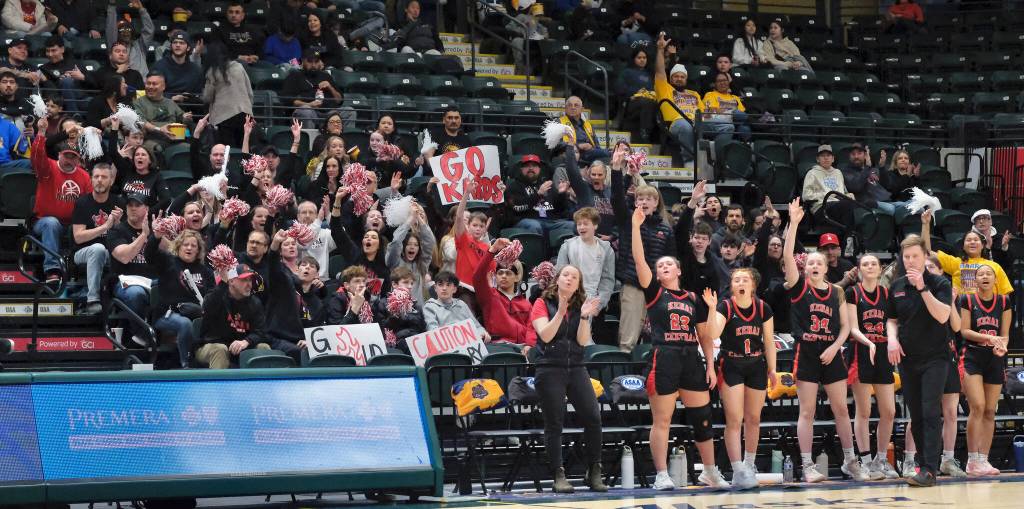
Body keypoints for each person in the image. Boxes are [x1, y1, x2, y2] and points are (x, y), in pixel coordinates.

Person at [632, 202, 729, 490]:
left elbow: (705, 335)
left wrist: (710, 365)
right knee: (662, 419)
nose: (663, 267)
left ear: (677, 270)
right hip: (665, 356)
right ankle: (662, 474)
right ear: (657, 274)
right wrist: (636, 227)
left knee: (702, 418)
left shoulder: (692, 298)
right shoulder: (654, 292)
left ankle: (709, 472)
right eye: (659, 266)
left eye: (668, 264)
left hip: (691, 357)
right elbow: (639, 260)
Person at [783, 198, 865, 483]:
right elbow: (786, 258)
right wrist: (793, 223)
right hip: (806, 351)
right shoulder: (798, 288)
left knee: (841, 409)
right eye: (811, 262)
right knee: (807, 410)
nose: (815, 264)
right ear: (805, 268)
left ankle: (850, 461)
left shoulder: (836, 292)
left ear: (827, 268)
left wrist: (834, 347)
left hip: (832, 352)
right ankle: (807, 466)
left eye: (820, 262)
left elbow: (845, 327)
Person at [529, 264, 606, 493]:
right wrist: (560, 313)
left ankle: (594, 470)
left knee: (593, 417)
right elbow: (545, 334)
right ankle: (558, 474)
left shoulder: (580, 305)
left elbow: (583, 341)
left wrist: (583, 317)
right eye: (566, 275)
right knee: (554, 423)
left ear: (578, 284)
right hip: (549, 367)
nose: (570, 279)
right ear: (558, 279)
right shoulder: (542, 303)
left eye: (575, 277)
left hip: (577, 366)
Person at [886, 233, 953, 487]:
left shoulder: (939, 284)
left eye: (915, 256)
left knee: (930, 410)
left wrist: (922, 288)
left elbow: (943, 315)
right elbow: (891, 319)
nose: (911, 261)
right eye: (906, 257)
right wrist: (891, 339)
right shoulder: (897, 286)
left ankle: (929, 469)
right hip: (908, 358)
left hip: (935, 358)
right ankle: (922, 465)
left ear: (925, 257)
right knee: (915, 414)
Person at [703, 268, 777, 490]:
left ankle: (749, 465)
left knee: (753, 418)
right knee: (734, 419)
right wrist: (712, 308)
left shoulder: (763, 307)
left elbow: (769, 341)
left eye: (745, 279)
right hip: (732, 364)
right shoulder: (725, 306)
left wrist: (772, 369)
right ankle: (737, 469)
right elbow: (713, 333)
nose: (741, 282)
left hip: (756, 364)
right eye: (736, 279)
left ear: (753, 285)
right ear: (732, 285)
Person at [902, 253, 968, 479]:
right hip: (920, 357)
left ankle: (947, 459)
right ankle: (911, 459)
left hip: (945, 356)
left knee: (949, 412)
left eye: (932, 267)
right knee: (920, 412)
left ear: (940, 273)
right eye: (925, 266)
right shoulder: (912, 293)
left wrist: (949, 300)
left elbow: (957, 327)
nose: (926, 270)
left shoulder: (946, 293)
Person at [610, 144, 673, 352]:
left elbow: (671, 259)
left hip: (658, 288)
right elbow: (617, 198)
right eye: (640, 198)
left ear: (656, 203)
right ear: (635, 202)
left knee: (657, 339)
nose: (644, 201)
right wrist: (620, 171)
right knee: (628, 340)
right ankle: (625, 380)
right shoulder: (628, 219)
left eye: (649, 198)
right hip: (633, 286)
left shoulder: (665, 227)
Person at [845, 254, 900, 480]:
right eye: (865, 264)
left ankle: (880, 460)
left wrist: (891, 341)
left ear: (880, 269)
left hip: (882, 352)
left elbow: (890, 323)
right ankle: (865, 460)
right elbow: (852, 328)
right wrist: (868, 341)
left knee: (889, 411)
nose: (869, 267)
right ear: (859, 270)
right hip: (861, 352)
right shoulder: (852, 293)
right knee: (864, 411)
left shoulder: (887, 294)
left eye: (873, 264)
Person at [959, 264, 1011, 476]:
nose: (985, 276)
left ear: (995, 279)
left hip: (994, 358)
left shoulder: (1004, 301)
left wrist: (1002, 346)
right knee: (978, 407)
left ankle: (984, 460)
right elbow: (964, 330)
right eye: (980, 274)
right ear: (975, 280)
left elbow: (1005, 334)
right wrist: (989, 338)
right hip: (972, 356)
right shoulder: (967, 300)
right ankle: (972, 460)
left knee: (990, 410)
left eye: (989, 273)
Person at [31, 117, 92, 284]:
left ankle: (77, 268)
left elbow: (91, 202)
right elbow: (36, 155)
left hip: (73, 225)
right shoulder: (48, 167)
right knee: (51, 223)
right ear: (59, 154)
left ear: (78, 159)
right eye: (66, 156)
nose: (69, 160)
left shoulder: (84, 175)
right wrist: (41, 133)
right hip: (43, 221)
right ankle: (52, 270)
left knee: (85, 225)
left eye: (73, 157)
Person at [147, 229, 215, 368]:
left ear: (198, 250)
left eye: (193, 245)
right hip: (167, 314)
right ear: (179, 247)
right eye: (185, 244)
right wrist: (156, 237)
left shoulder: (205, 271)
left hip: (197, 314)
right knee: (185, 324)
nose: (189, 248)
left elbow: (212, 294)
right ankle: (186, 363)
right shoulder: (168, 262)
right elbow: (149, 254)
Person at [70, 163, 122, 315]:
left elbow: (124, 236)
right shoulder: (82, 203)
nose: (99, 180)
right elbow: (78, 237)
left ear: (111, 181)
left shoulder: (118, 202)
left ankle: (121, 297)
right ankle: (92, 299)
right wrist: (104, 227)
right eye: (96, 176)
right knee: (98, 249)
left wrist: (118, 223)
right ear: (91, 180)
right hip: (82, 252)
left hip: (109, 252)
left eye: (104, 177)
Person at [920, 212, 1013, 296]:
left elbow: (1005, 297)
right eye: (968, 240)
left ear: (982, 246)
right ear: (963, 246)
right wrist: (925, 224)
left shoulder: (995, 267)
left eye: (976, 240)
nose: (972, 242)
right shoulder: (956, 263)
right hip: (961, 312)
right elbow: (926, 253)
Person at [197, 263, 270, 368]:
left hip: (241, 347)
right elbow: (207, 306)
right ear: (231, 281)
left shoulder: (255, 302)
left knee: (263, 347)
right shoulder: (218, 295)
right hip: (210, 346)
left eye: (250, 280)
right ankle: (218, 384)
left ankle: (261, 384)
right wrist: (223, 283)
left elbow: (261, 331)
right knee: (220, 349)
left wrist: (246, 341)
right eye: (244, 280)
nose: (249, 284)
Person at [107, 193, 153, 345]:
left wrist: (159, 235)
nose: (133, 209)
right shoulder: (117, 230)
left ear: (146, 209)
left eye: (137, 205)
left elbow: (171, 251)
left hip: (152, 281)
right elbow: (124, 256)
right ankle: (142, 335)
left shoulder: (153, 230)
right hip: (126, 282)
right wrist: (144, 235)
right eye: (130, 205)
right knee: (136, 293)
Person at [654, 33, 703, 165]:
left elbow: (704, 113)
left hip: (697, 122)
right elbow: (659, 71)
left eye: (682, 77)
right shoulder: (665, 89)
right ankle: (690, 161)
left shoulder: (695, 94)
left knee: (725, 127)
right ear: (670, 79)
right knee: (685, 126)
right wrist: (660, 50)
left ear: (686, 79)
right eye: (676, 76)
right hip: (677, 124)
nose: (679, 79)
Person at [475, 238, 533, 347]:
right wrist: (492, 250)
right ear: (495, 276)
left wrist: (529, 346)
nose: (503, 276)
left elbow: (532, 329)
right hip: (498, 346)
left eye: (508, 273)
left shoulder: (526, 304)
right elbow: (478, 276)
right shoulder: (490, 296)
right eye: (500, 273)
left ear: (517, 277)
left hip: (522, 348)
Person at [556, 207, 614, 312]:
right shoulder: (567, 246)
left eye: (586, 224)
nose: (582, 227)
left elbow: (607, 280)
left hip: (594, 300)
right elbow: (559, 276)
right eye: (579, 224)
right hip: (571, 298)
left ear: (595, 225)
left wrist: (599, 304)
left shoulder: (606, 249)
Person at [505, 153, 574, 241]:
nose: (531, 168)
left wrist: (561, 194)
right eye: (527, 166)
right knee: (534, 226)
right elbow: (517, 207)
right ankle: (538, 254)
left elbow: (560, 210)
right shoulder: (514, 186)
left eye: (534, 166)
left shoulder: (547, 184)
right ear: (522, 169)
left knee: (572, 225)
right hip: (526, 220)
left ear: (539, 169)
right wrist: (538, 195)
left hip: (550, 221)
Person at [385, 201, 435, 306]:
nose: (412, 247)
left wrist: (419, 217)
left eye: (416, 245)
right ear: (403, 247)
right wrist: (410, 220)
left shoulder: (422, 264)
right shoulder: (395, 262)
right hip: (398, 308)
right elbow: (396, 242)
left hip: (418, 312)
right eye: (409, 244)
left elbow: (430, 242)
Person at [281, 49, 342, 129]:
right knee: (306, 111)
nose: (313, 65)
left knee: (349, 111)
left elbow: (339, 100)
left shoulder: (326, 76)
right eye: (310, 61)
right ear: (303, 61)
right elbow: (288, 100)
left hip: (328, 112)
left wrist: (330, 87)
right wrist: (309, 105)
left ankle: (340, 140)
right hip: (307, 110)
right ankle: (309, 140)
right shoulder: (294, 76)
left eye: (316, 61)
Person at [802, 144, 856, 231]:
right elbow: (806, 196)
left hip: (840, 205)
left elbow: (843, 192)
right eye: (822, 156)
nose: (826, 158)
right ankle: (850, 238)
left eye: (828, 155)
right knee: (847, 206)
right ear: (817, 159)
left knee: (860, 206)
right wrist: (828, 195)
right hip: (821, 207)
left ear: (833, 158)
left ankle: (851, 237)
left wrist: (849, 195)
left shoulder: (838, 172)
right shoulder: (812, 173)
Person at [134, 72, 193, 149]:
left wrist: (186, 118)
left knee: (188, 147)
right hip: (152, 139)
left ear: (163, 86)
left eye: (154, 84)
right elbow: (141, 122)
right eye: (148, 83)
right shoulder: (139, 103)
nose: (150, 87)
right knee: (157, 148)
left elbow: (182, 119)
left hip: (174, 138)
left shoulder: (170, 103)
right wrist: (159, 129)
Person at [423, 271, 488, 338]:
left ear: (454, 289)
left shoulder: (461, 304)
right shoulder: (429, 307)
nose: (444, 288)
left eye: (448, 285)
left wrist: (483, 333)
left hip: (468, 344)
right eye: (440, 285)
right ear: (435, 288)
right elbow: (432, 332)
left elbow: (477, 327)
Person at [38, 36, 88, 114]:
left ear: (62, 49)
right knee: (66, 81)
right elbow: (48, 91)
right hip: (60, 101)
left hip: (80, 97)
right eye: (48, 51)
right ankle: (74, 115)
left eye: (54, 50)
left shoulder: (75, 64)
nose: (50, 54)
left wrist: (81, 77)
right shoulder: (43, 69)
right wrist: (60, 81)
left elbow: (91, 83)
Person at [616, 48, 657, 144]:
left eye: (644, 57)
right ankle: (644, 132)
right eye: (639, 57)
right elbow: (620, 88)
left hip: (650, 101)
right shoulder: (626, 72)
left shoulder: (651, 74)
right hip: (632, 102)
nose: (642, 60)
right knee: (645, 102)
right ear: (634, 59)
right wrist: (636, 92)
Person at [152, 30, 203, 103]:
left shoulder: (195, 69)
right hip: (164, 108)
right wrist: (171, 98)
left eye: (181, 43)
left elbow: (199, 95)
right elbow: (152, 92)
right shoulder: (159, 67)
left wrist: (191, 97)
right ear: (171, 46)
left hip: (190, 109)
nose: (178, 45)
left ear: (188, 48)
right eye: (175, 42)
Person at [105, 0, 153, 76]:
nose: (126, 32)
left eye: (128, 29)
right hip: (123, 84)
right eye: (122, 29)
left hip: (143, 85)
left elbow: (149, 30)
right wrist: (112, 5)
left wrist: (142, 10)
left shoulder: (140, 45)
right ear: (117, 33)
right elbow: (110, 28)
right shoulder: (114, 46)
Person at [560, 96, 609, 165]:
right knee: (608, 154)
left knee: (608, 154)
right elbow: (557, 145)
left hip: (590, 153)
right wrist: (579, 146)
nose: (573, 107)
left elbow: (597, 145)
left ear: (582, 109)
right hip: (573, 154)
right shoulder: (559, 123)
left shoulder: (587, 124)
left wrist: (599, 151)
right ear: (565, 108)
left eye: (576, 105)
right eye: (570, 105)